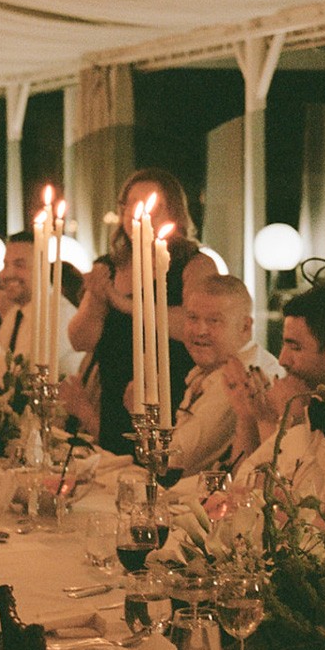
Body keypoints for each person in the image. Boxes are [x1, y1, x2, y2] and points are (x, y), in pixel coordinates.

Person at [227, 282, 325, 521]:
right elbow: (245, 479)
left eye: (295, 347)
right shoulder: (308, 400)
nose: (282, 360)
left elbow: (317, 505)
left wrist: (296, 422)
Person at [67, 170, 201, 455]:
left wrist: (124, 303)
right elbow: (80, 341)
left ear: (173, 211)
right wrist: (96, 294)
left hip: (171, 398)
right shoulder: (110, 265)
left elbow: (194, 325)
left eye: (149, 204)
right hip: (114, 401)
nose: (136, 212)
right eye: (130, 203)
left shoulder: (193, 263)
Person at [167, 274, 279, 476]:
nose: (200, 330)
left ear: (245, 327)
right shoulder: (217, 365)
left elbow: (174, 460)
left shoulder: (243, 376)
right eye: (193, 318)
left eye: (213, 321)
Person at [0, 233, 81, 384]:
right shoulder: (16, 313)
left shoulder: (57, 313)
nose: (7, 274)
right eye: (5, 265)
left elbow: (17, 379)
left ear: (43, 268)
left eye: (19, 265)